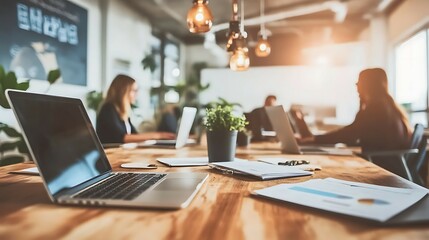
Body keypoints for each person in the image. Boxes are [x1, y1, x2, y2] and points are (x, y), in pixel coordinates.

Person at [300, 68, 412, 152]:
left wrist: (315, 139)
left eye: (360, 81)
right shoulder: (386, 106)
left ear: (369, 85)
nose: (356, 84)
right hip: (382, 159)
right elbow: (353, 133)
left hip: (378, 161)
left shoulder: (377, 108)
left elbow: (351, 134)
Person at [96, 74, 176, 144]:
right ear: (122, 92)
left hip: (122, 153)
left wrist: (160, 136)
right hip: (111, 156)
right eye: (134, 91)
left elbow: (135, 135)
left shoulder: (123, 112)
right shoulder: (108, 109)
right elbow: (122, 137)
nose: (136, 94)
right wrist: (158, 135)